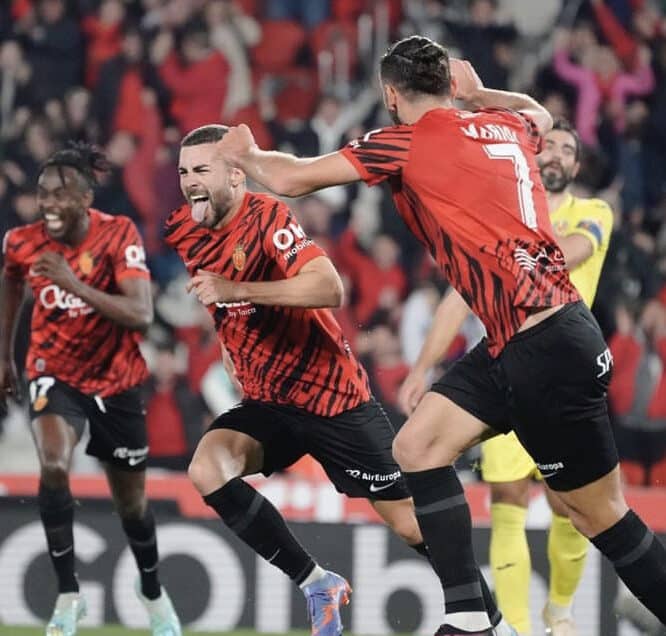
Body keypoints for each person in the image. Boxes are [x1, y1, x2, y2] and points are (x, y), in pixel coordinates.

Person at [214, 36, 666, 636]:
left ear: (390, 94)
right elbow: (538, 113)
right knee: (418, 447)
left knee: (600, 516)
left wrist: (244, 154)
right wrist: (480, 94)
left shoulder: (401, 140)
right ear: (451, 85)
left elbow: (291, 179)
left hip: (545, 346)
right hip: (524, 341)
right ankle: (472, 619)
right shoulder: (504, 124)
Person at [166, 124, 515, 636]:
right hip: (269, 401)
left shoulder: (267, 216)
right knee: (208, 468)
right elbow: (219, 299)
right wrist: (228, 344)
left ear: (236, 175)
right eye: (183, 171)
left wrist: (235, 287)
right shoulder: (186, 230)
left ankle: (494, 625)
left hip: (334, 401)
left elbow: (328, 288)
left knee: (411, 524)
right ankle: (316, 583)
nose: (189, 181)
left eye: (202, 169)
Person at [398, 119, 614, 635]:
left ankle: (559, 611)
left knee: (572, 509)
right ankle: (515, 627)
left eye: (567, 150)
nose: (556, 155)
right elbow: (458, 296)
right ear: (531, 159)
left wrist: (513, 234)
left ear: (577, 167)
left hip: (566, 371)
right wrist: (422, 367)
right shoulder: (505, 215)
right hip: (505, 365)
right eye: (549, 147)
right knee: (507, 497)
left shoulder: (594, 212)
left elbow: (573, 252)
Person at [0, 142, 181, 636]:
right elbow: (11, 280)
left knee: (132, 508)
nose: (49, 204)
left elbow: (141, 314)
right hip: (52, 370)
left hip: (116, 381)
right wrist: (4, 356)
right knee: (55, 464)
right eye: (42, 194)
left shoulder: (117, 233)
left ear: (85, 198)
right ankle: (67, 596)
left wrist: (73, 283)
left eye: (60, 194)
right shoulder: (22, 241)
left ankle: (152, 593)